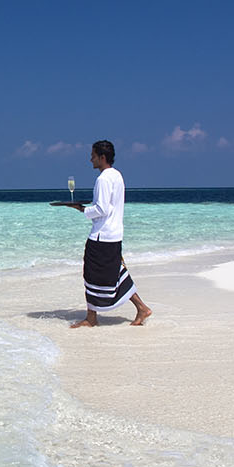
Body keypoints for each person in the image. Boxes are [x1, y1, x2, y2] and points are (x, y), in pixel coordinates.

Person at [62, 140, 153, 328]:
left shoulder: (103, 178)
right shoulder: (117, 175)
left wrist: (81, 209)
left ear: (102, 157)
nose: (90, 160)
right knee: (116, 272)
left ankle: (92, 318)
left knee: (91, 273)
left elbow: (102, 209)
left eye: (93, 156)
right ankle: (141, 308)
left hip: (101, 236)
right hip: (114, 234)